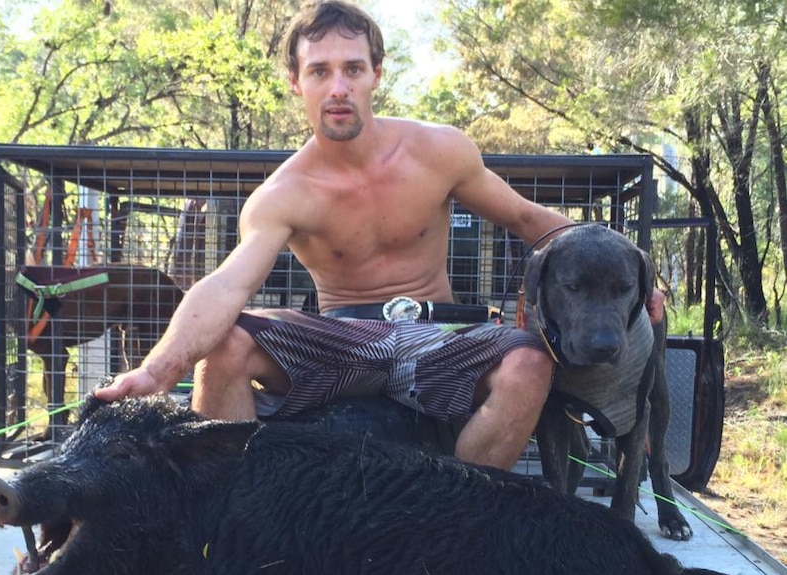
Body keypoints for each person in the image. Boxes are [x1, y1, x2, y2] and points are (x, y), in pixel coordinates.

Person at [96, 0, 659, 471]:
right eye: (319, 71)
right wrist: (155, 371)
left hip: (439, 339)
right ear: (296, 82)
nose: (337, 87)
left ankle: (458, 519)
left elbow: (529, 219)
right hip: (342, 341)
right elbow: (225, 288)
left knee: (529, 360)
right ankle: (238, 516)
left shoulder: (439, 150)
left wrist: (632, 272)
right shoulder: (281, 194)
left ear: (376, 74)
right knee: (224, 347)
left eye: (352, 68)